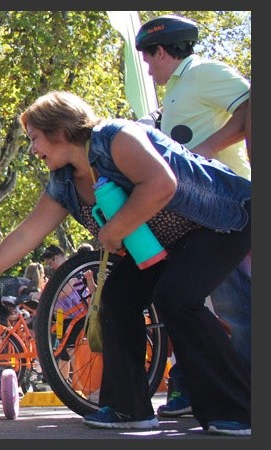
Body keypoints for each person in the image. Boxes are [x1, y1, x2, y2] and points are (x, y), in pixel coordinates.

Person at [0, 91, 251, 435]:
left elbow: (162, 184)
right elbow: (24, 236)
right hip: (166, 240)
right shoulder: (63, 181)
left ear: (59, 130)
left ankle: (238, 410)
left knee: (177, 297)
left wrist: (115, 229)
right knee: (117, 299)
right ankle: (128, 409)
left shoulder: (117, 137)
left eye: (35, 138)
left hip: (223, 218)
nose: (32, 149)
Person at [136, 14, 252, 418]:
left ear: (162, 50)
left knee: (238, 308)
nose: (147, 68)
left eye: (148, 59)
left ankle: (245, 400)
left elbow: (254, 104)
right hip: (201, 213)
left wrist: (203, 150)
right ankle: (194, 386)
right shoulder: (178, 88)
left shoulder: (204, 72)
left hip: (231, 206)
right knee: (196, 304)